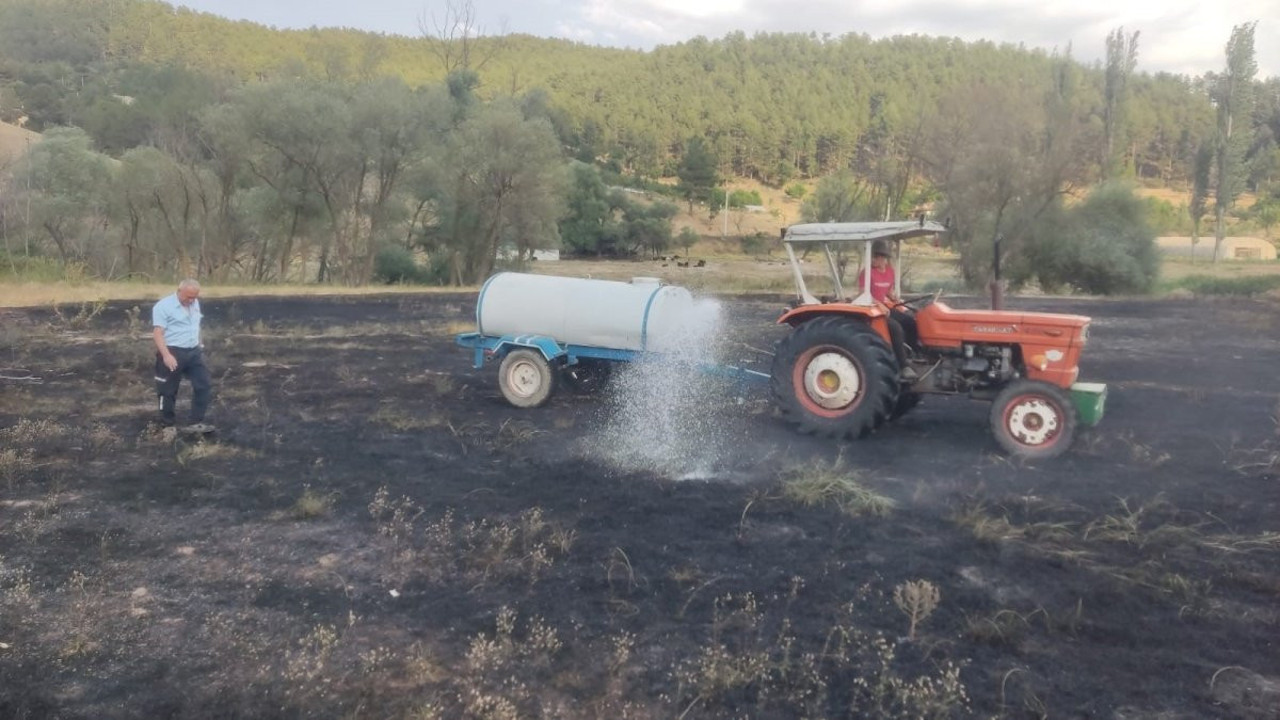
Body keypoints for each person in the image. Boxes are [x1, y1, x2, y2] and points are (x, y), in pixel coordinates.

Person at [152, 278, 214, 433]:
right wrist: (166, 356)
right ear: (179, 291)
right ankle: (167, 426)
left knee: (204, 385)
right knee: (167, 390)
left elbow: (196, 324)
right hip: (172, 351)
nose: (192, 300)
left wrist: (200, 344)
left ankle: (195, 422)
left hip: (193, 352)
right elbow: (158, 333)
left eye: (195, 296)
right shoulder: (163, 306)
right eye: (188, 296)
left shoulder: (195, 303)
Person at [856, 241, 918, 379]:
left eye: (877, 257)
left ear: (883, 258)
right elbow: (862, 293)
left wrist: (895, 298)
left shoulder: (890, 272)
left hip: (885, 307)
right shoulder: (866, 273)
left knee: (911, 321)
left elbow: (888, 290)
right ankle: (903, 366)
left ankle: (914, 353)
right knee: (895, 328)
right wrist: (879, 304)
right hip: (871, 308)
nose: (874, 260)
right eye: (873, 257)